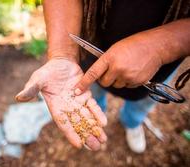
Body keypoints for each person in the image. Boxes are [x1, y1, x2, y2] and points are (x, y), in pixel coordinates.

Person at [16, 0, 190, 152]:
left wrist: (162, 47)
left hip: (159, 67)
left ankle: (132, 123)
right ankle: (98, 115)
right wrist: (63, 54)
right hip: (93, 48)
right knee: (88, 93)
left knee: (141, 103)